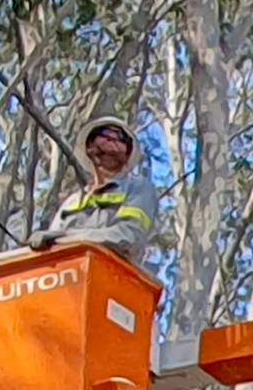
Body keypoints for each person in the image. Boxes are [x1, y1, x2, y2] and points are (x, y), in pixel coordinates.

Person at [44, 115, 167, 280]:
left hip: (115, 280)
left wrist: (69, 238)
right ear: (89, 146)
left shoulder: (138, 189)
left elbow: (128, 236)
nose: (112, 139)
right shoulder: (72, 202)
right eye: (105, 134)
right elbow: (50, 250)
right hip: (69, 282)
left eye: (121, 138)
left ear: (128, 153)